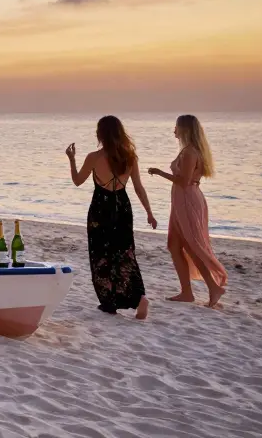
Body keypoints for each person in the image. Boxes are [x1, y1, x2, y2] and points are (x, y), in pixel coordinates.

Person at [67, 115, 157, 320]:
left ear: (101, 134)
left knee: (101, 255)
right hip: (123, 208)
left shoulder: (94, 157)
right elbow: (139, 188)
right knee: (125, 253)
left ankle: (109, 303)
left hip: (100, 208)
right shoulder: (130, 157)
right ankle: (139, 297)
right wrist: (149, 213)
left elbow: (77, 181)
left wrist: (72, 160)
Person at [148, 114, 228, 308]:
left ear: (184, 129)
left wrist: (159, 172)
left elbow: (184, 181)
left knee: (191, 245)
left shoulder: (190, 152)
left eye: (176, 127)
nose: (173, 130)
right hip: (181, 201)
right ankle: (186, 292)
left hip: (187, 200)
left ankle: (213, 287)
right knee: (173, 245)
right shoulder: (187, 150)